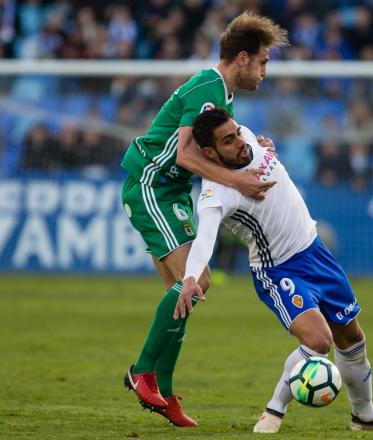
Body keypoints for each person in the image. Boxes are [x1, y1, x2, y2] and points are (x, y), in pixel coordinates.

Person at [174, 108, 373, 433]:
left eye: (237, 133)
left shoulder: (246, 139)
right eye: (229, 140)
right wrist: (189, 278)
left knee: (351, 337)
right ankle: (274, 410)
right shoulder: (215, 193)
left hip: (315, 250)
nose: (240, 141)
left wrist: (258, 143)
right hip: (279, 270)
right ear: (211, 153)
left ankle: (364, 417)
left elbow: (225, 119)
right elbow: (205, 238)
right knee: (318, 340)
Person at [120, 12, 288, 427]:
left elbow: (218, 143)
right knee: (199, 280)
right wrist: (238, 181)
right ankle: (141, 372)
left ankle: (163, 390)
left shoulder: (222, 95)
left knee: (184, 294)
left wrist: (253, 146)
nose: (266, 71)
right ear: (243, 58)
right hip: (152, 184)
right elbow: (185, 155)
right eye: (264, 62)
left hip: (171, 190)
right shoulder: (209, 89)